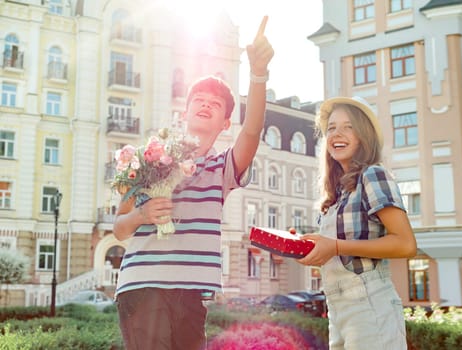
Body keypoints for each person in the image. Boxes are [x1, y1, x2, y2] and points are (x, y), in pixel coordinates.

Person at [112, 16, 274, 350]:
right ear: (184, 112)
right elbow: (119, 228)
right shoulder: (149, 158)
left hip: (191, 293)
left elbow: (253, 131)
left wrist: (258, 74)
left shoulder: (222, 167)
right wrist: (142, 216)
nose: (205, 105)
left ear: (226, 121)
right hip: (143, 284)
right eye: (198, 100)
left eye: (215, 104)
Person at [297, 96, 417, 350]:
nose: (337, 133)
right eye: (331, 128)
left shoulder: (373, 175)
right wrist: (308, 248)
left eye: (348, 126)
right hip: (337, 309)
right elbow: (334, 250)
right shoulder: (335, 194)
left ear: (364, 135)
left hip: (370, 304)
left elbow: (405, 244)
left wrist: (336, 246)